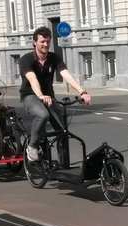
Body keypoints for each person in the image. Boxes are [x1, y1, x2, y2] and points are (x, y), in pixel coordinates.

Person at [20, 26, 91, 162]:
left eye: (48, 41)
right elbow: (32, 78)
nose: (46, 44)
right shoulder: (26, 59)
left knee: (62, 131)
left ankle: (63, 164)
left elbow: (66, 75)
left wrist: (82, 91)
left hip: (49, 97)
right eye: (42, 42)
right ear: (35, 42)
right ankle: (32, 146)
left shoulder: (54, 58)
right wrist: (40, 95)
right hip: (30, 95)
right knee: (43, 114)